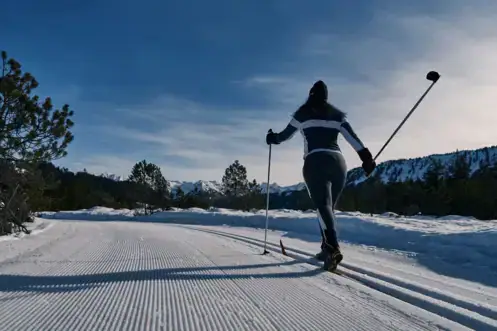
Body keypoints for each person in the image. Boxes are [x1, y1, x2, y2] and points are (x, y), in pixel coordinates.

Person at [266, 80, 376, 272]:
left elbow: (284, 136)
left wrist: (272, 138)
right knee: (328, 208)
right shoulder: (337, 116)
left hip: (315, 161)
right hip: (339, 164)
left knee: (322, 206)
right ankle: (326, 248)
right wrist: (367, 159)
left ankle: (333, 248)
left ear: (310, 95)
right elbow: (355, 141)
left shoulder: (302, 114)